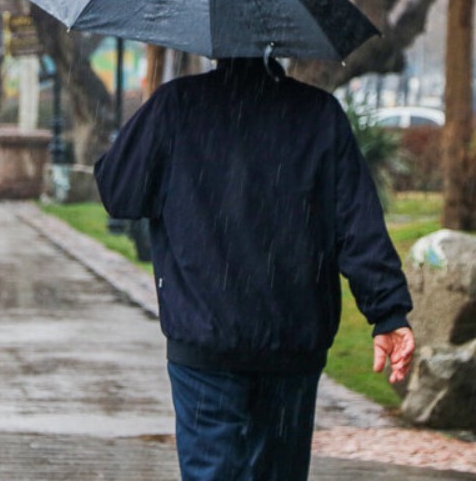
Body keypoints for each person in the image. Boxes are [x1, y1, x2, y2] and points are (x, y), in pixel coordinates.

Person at [93, 58, 415, 481]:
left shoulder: (177, 105)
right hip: (291, 340)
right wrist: (388, 313)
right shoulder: (318, 114)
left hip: (205, 336)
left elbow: (119, 193)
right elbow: (357, 225)